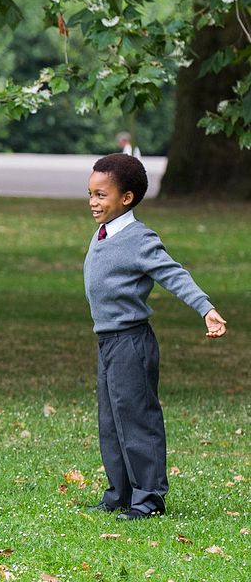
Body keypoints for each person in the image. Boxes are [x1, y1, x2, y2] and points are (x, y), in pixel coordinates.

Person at [83, 153, 227, 520]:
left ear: (126, 198)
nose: (93, 203)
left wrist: (206, 308)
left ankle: (148, 500)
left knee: (137, 419)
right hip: (108, 341)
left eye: (101, 195)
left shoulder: (139, 238)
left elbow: (174, 274)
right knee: (111, 421)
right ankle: (120, 492)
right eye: (90, 194)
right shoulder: (103, 234)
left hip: (132, 342)